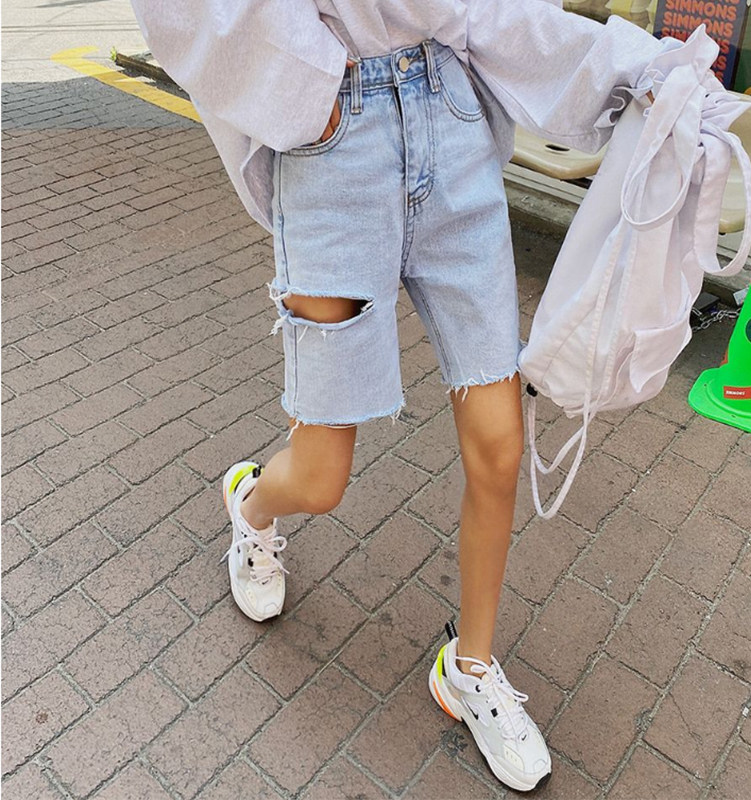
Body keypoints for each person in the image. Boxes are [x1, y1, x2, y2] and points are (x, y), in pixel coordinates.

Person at [129, 1, 674, 791]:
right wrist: (304, 87)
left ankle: (470, 666)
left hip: (452, 121)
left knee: (499, 445)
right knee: (321, 477)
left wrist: (638, 70)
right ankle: (252, 505)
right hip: (331, 147)